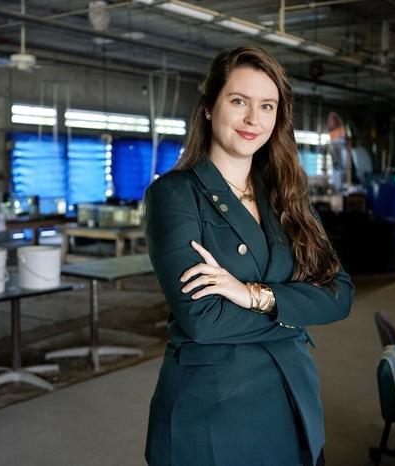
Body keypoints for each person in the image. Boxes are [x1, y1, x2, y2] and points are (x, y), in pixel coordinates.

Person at [143, 46, 354, 466]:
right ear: (208, 107)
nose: (253, 119)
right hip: (215, 408)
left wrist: (253, 295)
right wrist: (295, 310)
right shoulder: (175, 195)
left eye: (267, 106)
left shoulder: (287, 196)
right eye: (238, 101)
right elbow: (203, 320)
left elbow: (340, 294)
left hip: (292, 395)